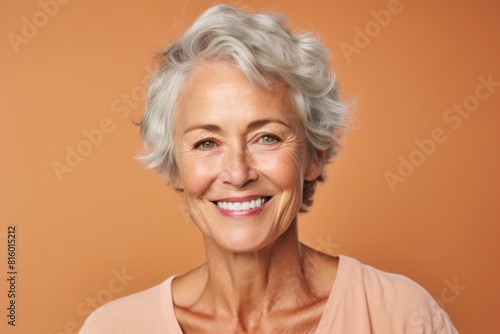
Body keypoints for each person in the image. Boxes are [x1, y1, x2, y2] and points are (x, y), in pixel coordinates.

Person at [80, 4, 458, 333]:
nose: (238, 172)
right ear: (175, 167)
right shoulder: (112, 327)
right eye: (206, 143)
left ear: (315, 154)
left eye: (267, 138)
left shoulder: (402, 316)